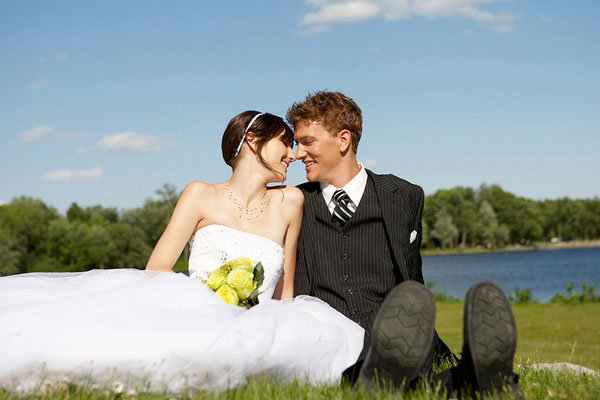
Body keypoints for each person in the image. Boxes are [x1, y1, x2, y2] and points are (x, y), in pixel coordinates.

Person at [0, 111, 364, 393]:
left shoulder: (290, 201)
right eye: (285, 142)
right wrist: (201, 304)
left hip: (258, 319)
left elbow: (285, 289)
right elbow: (158, 268)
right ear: (253, 140)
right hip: (197, 311)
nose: (293, 154)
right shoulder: (200, 194)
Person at [287, 91, 521, 397]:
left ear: (343, 140)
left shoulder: (405, 195)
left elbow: (412, 276)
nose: (297, 153)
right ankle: (475, 380)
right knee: (390, 379)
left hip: (398, 337)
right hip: (331, 341)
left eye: (307, 141)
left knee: (404, 368)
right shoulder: (293, 202)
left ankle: (479, 370)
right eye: (296, 143)